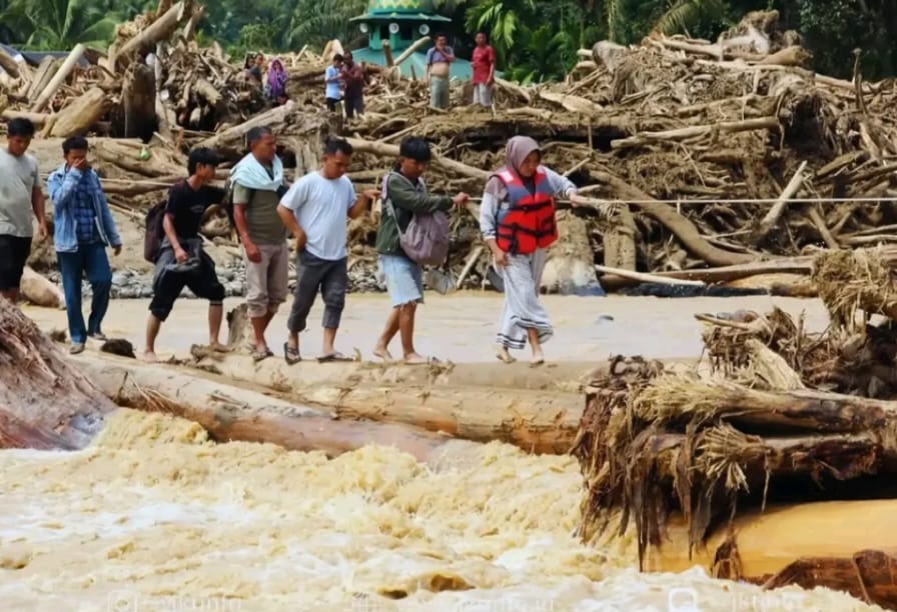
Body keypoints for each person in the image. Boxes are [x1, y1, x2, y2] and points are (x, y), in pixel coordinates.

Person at [480, 136, 585, 366]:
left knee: (520, 297)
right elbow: (486, 221)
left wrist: (572, 195)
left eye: (535, 161)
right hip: (509, 252)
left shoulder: (543, 174)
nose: (531, 166)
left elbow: (564, 185)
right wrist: (496, 250)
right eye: (526, 161)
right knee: (525, 294)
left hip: (536, 246)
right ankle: (537, 346)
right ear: (515, 159)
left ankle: (503, 345)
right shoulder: (497, 183)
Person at [277, 138, 379, 364]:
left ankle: (327, 347)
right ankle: (292, 340)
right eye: (338, 164)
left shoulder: (345, 184)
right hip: (312, 252)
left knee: (335, 300)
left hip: (337, 255)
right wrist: (298, 233)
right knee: (303, 300)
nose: (342, 169)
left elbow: (352, 213)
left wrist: (364, 198)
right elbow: (283, 208)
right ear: (325, 159)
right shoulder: (308, 183)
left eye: (345, 165)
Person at [374, 138, 468, 364]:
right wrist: (450, 201)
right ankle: (408, 353)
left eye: (424, 164)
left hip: (410, 250)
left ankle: (381, 345)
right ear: (402, 160)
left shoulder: (418, 182)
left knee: (408, 301)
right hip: (394, 249)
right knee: (408, 303)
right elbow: (417, 203)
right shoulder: (395, 182)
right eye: (416, 164)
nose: (421, 168)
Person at [144, 148, 228, 362]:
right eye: (212, 167)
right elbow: (167, 221)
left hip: (194, 248)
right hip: (175, 248)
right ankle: (148, 349)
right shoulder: (179, 190)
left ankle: (214, 340)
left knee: (216, 291)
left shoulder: (206, 191)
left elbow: (229, 194)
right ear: (200, 168)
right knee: (162, 300)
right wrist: (177, 249)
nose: (215, 172)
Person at [47, 136, 122, 354]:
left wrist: (114, 237)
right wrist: (74, 176)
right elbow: (59, 201)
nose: (79, 161)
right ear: (65, 157)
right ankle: (77, 337)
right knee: (72, 294)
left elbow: (103, 209)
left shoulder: (93, 177)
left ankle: (95, 326)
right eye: (74, 158)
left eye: (82, 157)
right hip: (68, 244)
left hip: (93, 240)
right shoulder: (56, 177)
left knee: (104, 281)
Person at [230, 126, 289, 361]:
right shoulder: (246, 173)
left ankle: (256, 336)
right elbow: (238, 210)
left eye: (275, 144)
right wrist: (247, 241)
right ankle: (259, 341)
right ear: (253, 145)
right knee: (258, 295)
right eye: (268, 144)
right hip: (258, 241)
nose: (273, 148)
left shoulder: (275, 169)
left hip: (279, 239)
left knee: (277, 295)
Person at [0, 118, 47, 304]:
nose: (22, 145)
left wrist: (42, 221)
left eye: (27, 141)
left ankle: (12, 319)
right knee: (3, 275)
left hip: (24, 229)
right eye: (18, 141)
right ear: (8, 137)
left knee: (14, 278)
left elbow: (37, 195)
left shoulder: (32, 163)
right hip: (2, 227)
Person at [425, 34, 455, 110]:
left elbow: (452, 59)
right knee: (435, 96)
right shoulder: (431, 51)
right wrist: (426, 77)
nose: (443, 42)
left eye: (444, 40)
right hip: (435, 77)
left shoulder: (448, 49)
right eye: (440, 40)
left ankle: (444, 113)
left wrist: (441, 51)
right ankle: (434, 112)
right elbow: (428, 65)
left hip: (445, 77)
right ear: (436, 41)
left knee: (445, 98)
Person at [471, 32, 496, 107]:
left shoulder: (489, 49)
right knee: (476, 100)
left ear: (485, 39)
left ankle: (487, 113)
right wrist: (473, 78)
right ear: (475, 39)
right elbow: (474, 63)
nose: (480, 39)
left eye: (482, 37)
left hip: (485, 77)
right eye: (478, 38)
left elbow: (492, 63)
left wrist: (490, 77)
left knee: (484, 97)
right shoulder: (475, 50)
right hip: (476, 77)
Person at [340, 52, 365, 119]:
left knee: (360, 114)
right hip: (348, 94)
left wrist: (347, 73)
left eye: (347, 59)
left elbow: (355, 78)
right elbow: (342, 80)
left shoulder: (357, 67)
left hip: (357, 94)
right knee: (349, 115)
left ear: (351, 59)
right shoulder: (344, 68)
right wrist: (342, 85)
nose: (345, 61)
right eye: (344, 59)